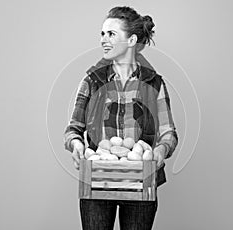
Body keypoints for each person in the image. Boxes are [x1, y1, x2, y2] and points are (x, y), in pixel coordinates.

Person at [64, 6, 178, 230]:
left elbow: (168, 133)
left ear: (131, 40)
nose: (103, 40)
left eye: (111, 34)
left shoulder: (155, 84)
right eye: (102, 34)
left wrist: (160, 151)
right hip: (97, 180)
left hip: (141, 180)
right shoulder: (92, 81)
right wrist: (76, 145)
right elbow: (73, 129)